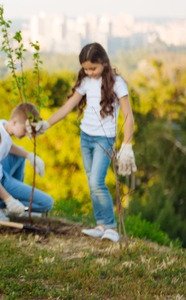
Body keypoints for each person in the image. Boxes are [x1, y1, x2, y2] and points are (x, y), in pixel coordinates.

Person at [30, 42, 137, 243]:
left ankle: (112, 227)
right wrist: (46, 124)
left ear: (104, 63)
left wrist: (127, 145)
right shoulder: (86, 81)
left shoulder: (117, 83)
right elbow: (68, 106)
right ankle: (101, 225)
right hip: (85, 136)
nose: (89, 72)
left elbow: (128, 116)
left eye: (93, 68)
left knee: (97, 181)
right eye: (85, 68)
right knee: (91, 182)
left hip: (104, 139)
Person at [0, 103, 54, 220]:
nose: (27, 134)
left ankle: (10, 200)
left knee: (19, 155)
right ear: (14, 122)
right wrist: (9, 200)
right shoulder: (2, 139)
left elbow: (8, 147)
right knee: (47, 203)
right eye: (25, 130)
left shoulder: (1, 124)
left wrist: (29, 156)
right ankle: (4, 204)